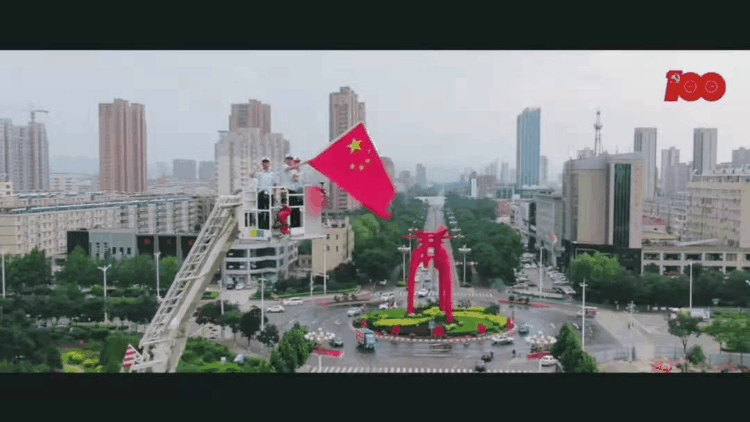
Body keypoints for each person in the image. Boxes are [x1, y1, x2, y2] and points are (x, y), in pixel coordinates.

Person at [250, 157, 275, 229]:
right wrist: (257, 168)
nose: (265, 164)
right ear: (262, 163)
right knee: (260, 211)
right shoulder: (259, 173)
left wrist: (275, 195)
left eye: (267, 162)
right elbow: (251, 175)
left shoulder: (272, 174)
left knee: (268, 211)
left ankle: (267, 227)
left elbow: (275, 184)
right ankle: (260, 227)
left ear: (269, 163)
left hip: (270, 194)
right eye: (264, 162)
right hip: (261, 193)